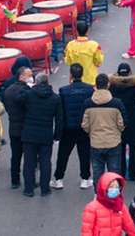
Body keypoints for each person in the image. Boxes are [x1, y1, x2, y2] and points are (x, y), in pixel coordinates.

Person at [15, 72, 63, 197]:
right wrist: (57, 135)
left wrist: (27, 86)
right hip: (46, 134)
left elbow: (17, 99)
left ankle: (29, 189)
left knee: (29, 163)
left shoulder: (29, 94)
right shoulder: (55, 98)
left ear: (36, 82)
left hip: (30, 133)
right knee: (45, 163)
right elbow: (59, 119)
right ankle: (45, 189)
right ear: (48, 83)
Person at [51, 62, 94, 190]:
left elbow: (60, 111)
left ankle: (58, 179)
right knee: (84, 154)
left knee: (63, 154)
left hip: (68, 128)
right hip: (84, 128)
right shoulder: (89, 89)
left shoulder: (63, 91)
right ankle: (85, 179)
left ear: (70, 75)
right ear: (83, 73)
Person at [83, 73, 127, 187]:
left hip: (96, 141)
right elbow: (122, 122)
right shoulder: (116, 103)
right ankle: (115, 194)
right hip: (113, 141)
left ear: (96, 85)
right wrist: (118, 132)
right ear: (108, 85)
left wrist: (91, 132)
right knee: (114, 171)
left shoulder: (88, 103)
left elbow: (84, 124)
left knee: (97, 171)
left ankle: (99, 195)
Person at [109, 63, 135, 182]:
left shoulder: (113, 87)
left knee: (120, 147)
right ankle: (134, 173)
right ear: (129, 73)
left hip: (118, 119)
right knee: (134, 147)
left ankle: (120, 172)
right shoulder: (134, 86)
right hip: (133, 119)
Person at [3, 64, 31, 189]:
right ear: (21, 76)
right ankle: (29, 181)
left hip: (13, 126)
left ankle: (15, 180)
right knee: (29, 156)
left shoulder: (8, 90)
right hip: (26, 127)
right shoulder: (27, 91)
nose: (31, 77)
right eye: (29, 75)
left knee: (15, 155)